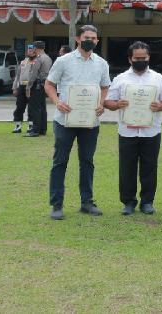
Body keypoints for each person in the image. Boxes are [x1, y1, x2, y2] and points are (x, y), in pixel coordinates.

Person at [44, 25, 110, 220]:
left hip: (90, 122)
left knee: (87, 162)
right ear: (78, 39)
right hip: (65, 120)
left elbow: (105, 86)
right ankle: (56, 204)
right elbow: (49, 84)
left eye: (94, 38)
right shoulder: (63, 61)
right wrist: (57, 102)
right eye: (87, 37)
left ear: (97, 41)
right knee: (60, 162)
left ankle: (87, 202)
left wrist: (101, 103)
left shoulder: (102, 64)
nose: (90, 40)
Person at [103, 41, 162, 215]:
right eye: (137, 58)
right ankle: (128, 202)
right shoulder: (120, 79)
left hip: (151, 131)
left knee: (149, 167)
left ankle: (147, 202)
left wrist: (160, 106)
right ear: (130, 59)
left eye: (144, 57)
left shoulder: (158, 78)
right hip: (127, 131)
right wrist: (118, 104)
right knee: (127, 168)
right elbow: (108, 102)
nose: (140, 60)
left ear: (149, 57)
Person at [25, 41, 52, 137]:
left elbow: (33, 74)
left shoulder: (39, 58)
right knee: (42, 108)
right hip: (44, 84)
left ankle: (35, 130)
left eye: (34, 47)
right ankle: (42, 129)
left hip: (37, 84)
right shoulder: (47, 58)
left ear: (36, 48)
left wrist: (28, 86)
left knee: (35, 108)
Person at [12, 45, 36, 134]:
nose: (30, 52)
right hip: (22, 86)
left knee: (31, 107)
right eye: (29, 51)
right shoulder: (23, 62)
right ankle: (18, 126)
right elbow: (17, 76)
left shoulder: (37, 62)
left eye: (32, 51)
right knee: (19, 106)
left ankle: (31, 125)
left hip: (31, 87)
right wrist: (14, 88)